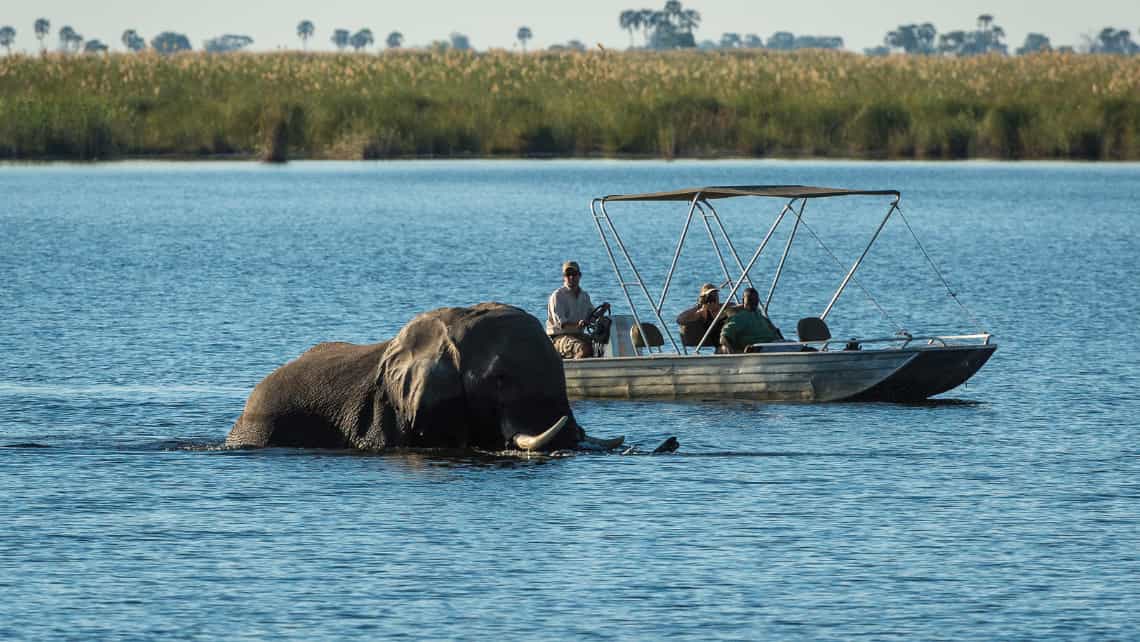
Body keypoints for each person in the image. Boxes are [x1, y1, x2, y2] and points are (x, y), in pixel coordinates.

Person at [547, 261, 608, 359]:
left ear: (579, 276)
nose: (571, 277)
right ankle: (575, 372)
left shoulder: (584, 296)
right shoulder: (557, 296)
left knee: (601, 346)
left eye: (574, 274)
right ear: (564, 277)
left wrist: (603, 310)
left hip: (579, 335)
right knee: (583, 348)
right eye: (568, 275)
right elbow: (562, 324)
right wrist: (578, 324)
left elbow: (592, 318)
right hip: (559, 338)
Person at [719, 287, 783, 353]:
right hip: (760, 348)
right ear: (743, 300)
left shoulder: (760, 316)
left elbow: (775, 331)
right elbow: (724, 337)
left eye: (756, 299)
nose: (753, 302)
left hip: (776, 343)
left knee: (792, 345)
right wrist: (734, 352)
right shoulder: (739, 317)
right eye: (750, 299)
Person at [676, 283, 731, 351]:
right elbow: (680, 319)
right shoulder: (703, 312)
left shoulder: (726, 307)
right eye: (711, 296)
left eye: (715, 295)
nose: (714, 299)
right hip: (720, 346)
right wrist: (700, 306)